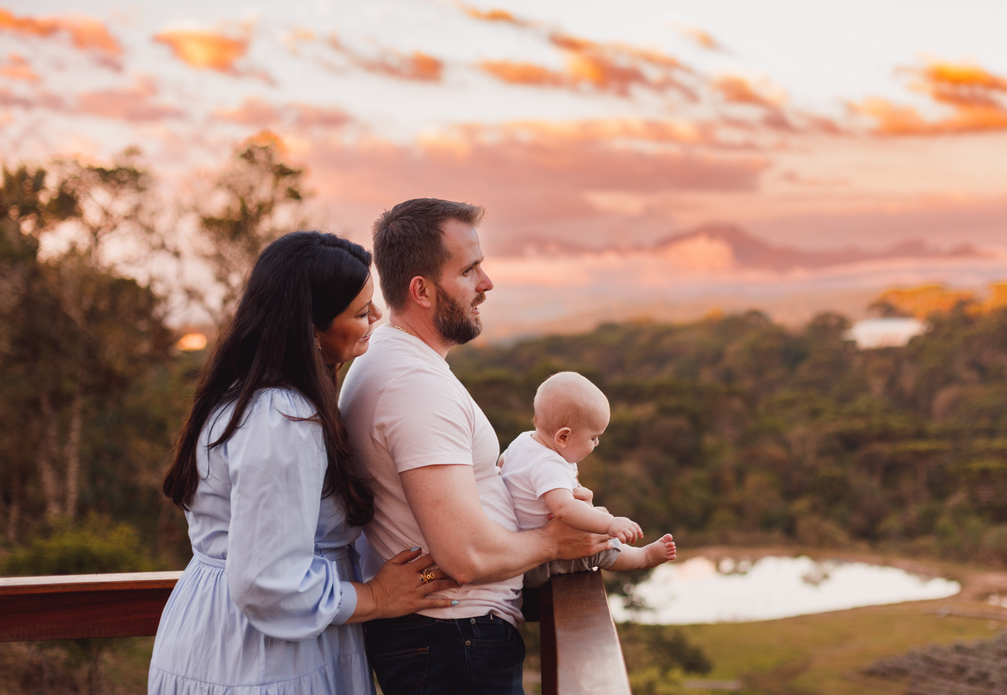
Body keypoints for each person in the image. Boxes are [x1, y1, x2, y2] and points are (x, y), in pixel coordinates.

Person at [150, 231, 458, 695]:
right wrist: (374, 596)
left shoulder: (241, 397)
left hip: (222, 632)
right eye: (359, 312)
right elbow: (266, 582)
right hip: (261, 653)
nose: (376, 317)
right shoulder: (282, 419)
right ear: (311, 329)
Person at [340, 198, 612, 695]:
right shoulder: (411, 385)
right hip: (453, 640)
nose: (486, 283)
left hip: (449, 637)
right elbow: (463, 554)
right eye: (469, 270)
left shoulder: (394, 362)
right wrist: (556, 541)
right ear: (420, 290)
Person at [499, 371, 676, 587]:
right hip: (540, 562)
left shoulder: (523, 440)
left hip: (519, 550)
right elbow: (564, 509)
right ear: (563, 437)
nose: (596, 444)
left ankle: (640, 554)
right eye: (593, 438)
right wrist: (609, 524)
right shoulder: (549, 465)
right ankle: (643, 558)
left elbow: (501, 465)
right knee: (599, 545)